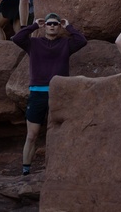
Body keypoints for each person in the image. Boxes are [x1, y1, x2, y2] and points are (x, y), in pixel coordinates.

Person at [11, 12, 87, 176]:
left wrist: (69, 27)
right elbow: (17, 38)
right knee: (32, 135)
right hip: (37, 93)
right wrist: (33, 26)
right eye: (49, 23)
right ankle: (25, 170)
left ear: (59, 27)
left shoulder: (66, 43)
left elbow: (82, 41)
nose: (52, 26)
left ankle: (60, 170)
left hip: (58, 94)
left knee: (59, 134)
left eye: (55, 24)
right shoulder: (34, 43)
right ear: (44, 26)